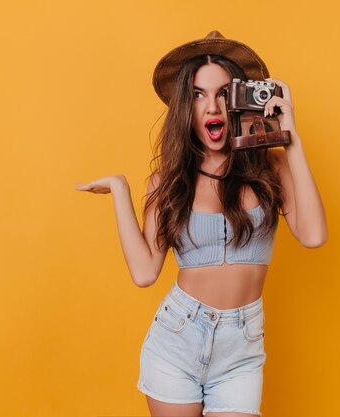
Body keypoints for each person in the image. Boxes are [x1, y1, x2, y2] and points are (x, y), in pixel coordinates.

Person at [75, 30, 327, 417]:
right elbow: (144, 273)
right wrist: (122, 191)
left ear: (242, 103)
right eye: (198, 94)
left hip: (241, 349)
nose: (212, 107)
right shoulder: (170, 179)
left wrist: (290, 137)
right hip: (177, 339)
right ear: (185, 107)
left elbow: (313, 235)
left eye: (224, 94)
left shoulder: (271, 167)